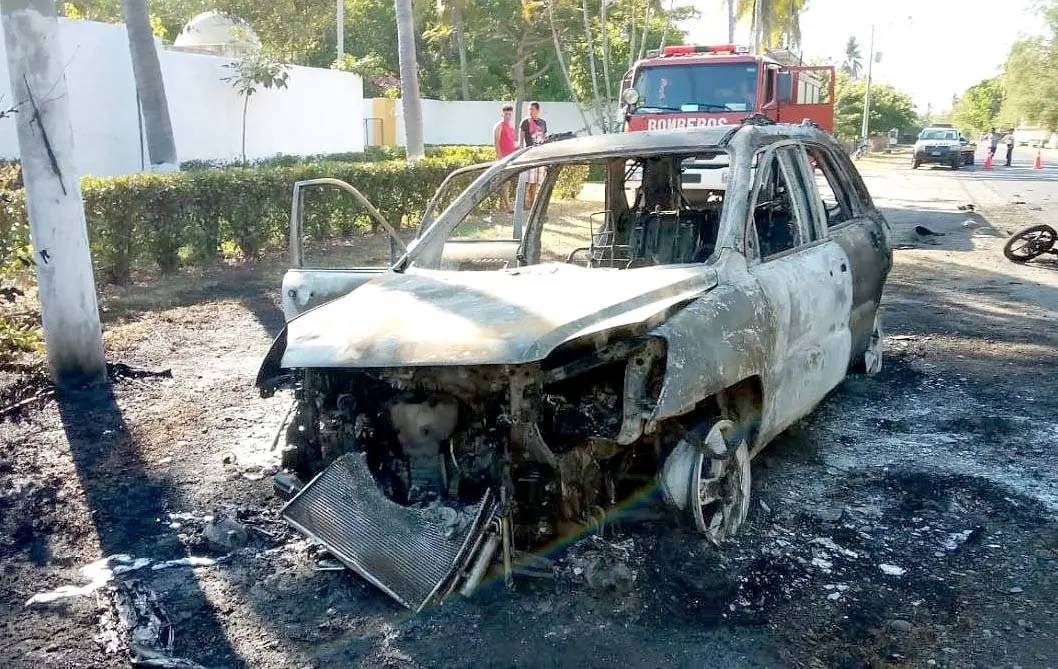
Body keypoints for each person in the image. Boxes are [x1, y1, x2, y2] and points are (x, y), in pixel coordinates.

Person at [518, 101, 548, 209]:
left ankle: (533, 202)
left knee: (536, 180)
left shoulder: (543, 122)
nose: (530, 111)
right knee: (528, 180)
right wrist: (521, 152)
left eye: (533, 109)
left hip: (540, 154)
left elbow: (544, 137)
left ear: (538, 110)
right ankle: (525, 203)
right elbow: (521, 139)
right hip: (529, 154)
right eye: (529, 109)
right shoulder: (525, 122)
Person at [492, 104, 518, 212]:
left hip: (511, 158)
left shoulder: (511, 128)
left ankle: (502, 205)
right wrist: (500, 158)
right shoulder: (499, 126)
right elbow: (496, 142)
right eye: (506, 114)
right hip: (503, 158)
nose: (508, 116)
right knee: (505, 183)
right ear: (502, 114)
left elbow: (511, 143)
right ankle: (508, 207)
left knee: (507, 182)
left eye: (509, 114)